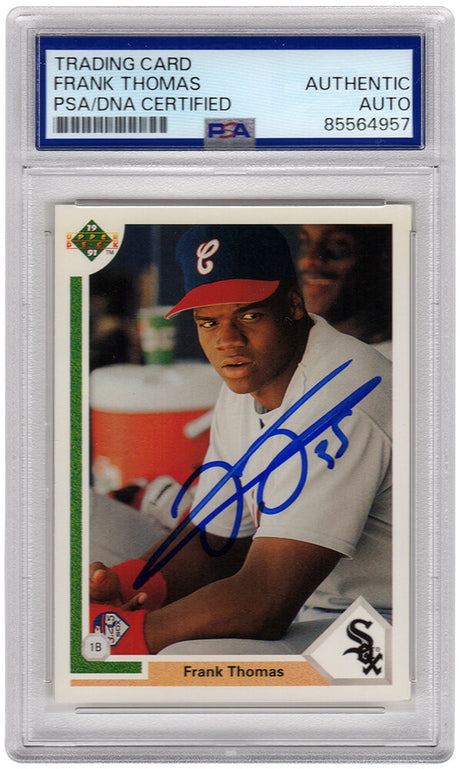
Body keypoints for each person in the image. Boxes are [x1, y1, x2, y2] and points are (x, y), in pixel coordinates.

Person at [90, 224, 392, 655]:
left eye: (249, 315)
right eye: (209, 322)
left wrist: (116, 638)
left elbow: (263, 605)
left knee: (188, 659)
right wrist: (129, 586)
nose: (227, 340)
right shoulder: (250, 380)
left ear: (293, 305)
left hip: (390, 624)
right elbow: (218, 540)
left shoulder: (343, 395)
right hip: (314, 611)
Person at [296, 224, 392, 354]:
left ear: (386, 258)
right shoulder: (302, 354)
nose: (308, 261)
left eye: (336, 246)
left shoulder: (400, 357)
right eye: (305, 243)